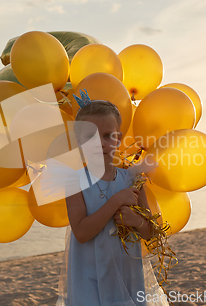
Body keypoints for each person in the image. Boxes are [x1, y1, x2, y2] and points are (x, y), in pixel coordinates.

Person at [56, 98, 168, 306]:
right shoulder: (74, 182)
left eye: (107, 135)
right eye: (90, 136)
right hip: (88, 279)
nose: (99, 143)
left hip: (128, 278)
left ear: (118, 138)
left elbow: (152, 233)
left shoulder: (132, 179)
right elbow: (81, 233)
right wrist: (116, 200)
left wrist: (136, 221)